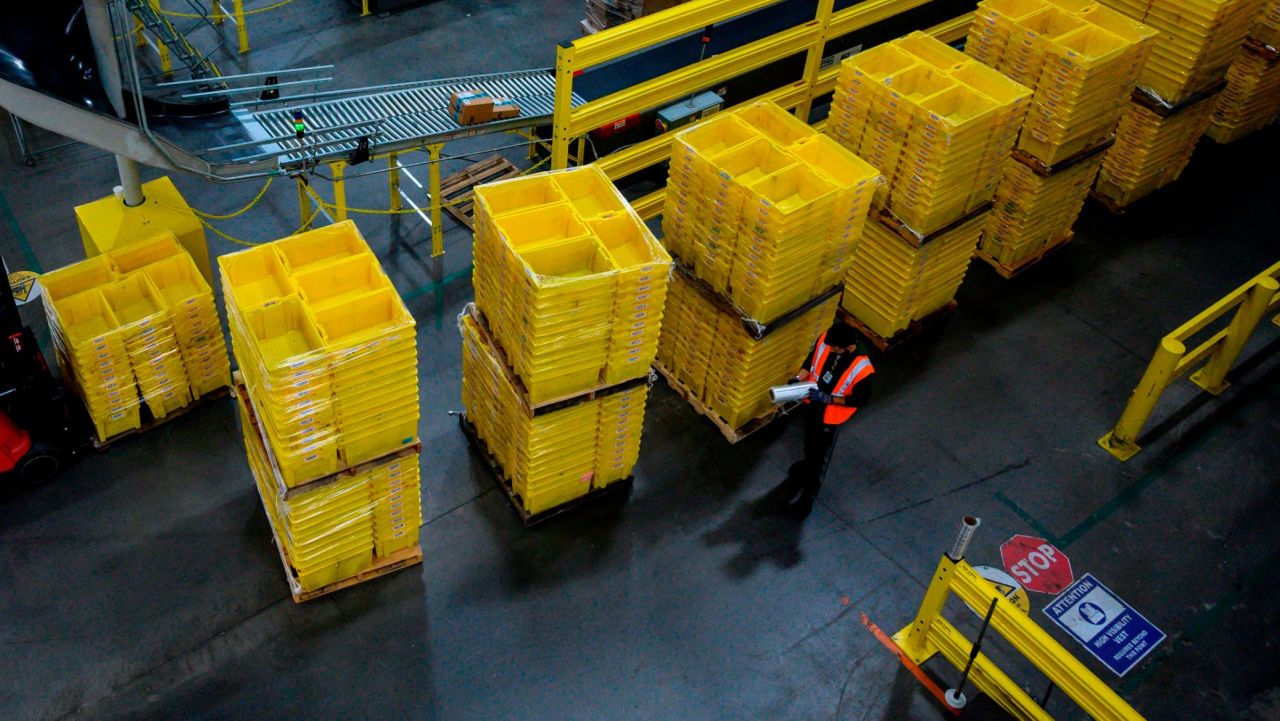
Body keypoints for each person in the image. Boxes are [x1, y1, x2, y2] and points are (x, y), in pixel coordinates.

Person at [775, 321, 875, 518]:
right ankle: (805, 466)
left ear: (849, 347)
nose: (829, 349)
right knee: (809, 442)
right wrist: (797, 379)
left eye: (834, 348)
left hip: (830, 415)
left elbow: (859, 399)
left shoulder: (863, 368)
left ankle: (809, 494)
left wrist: (828, 398)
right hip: (812, 404)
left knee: (819, 456)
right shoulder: (827, 341)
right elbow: (810, 361)